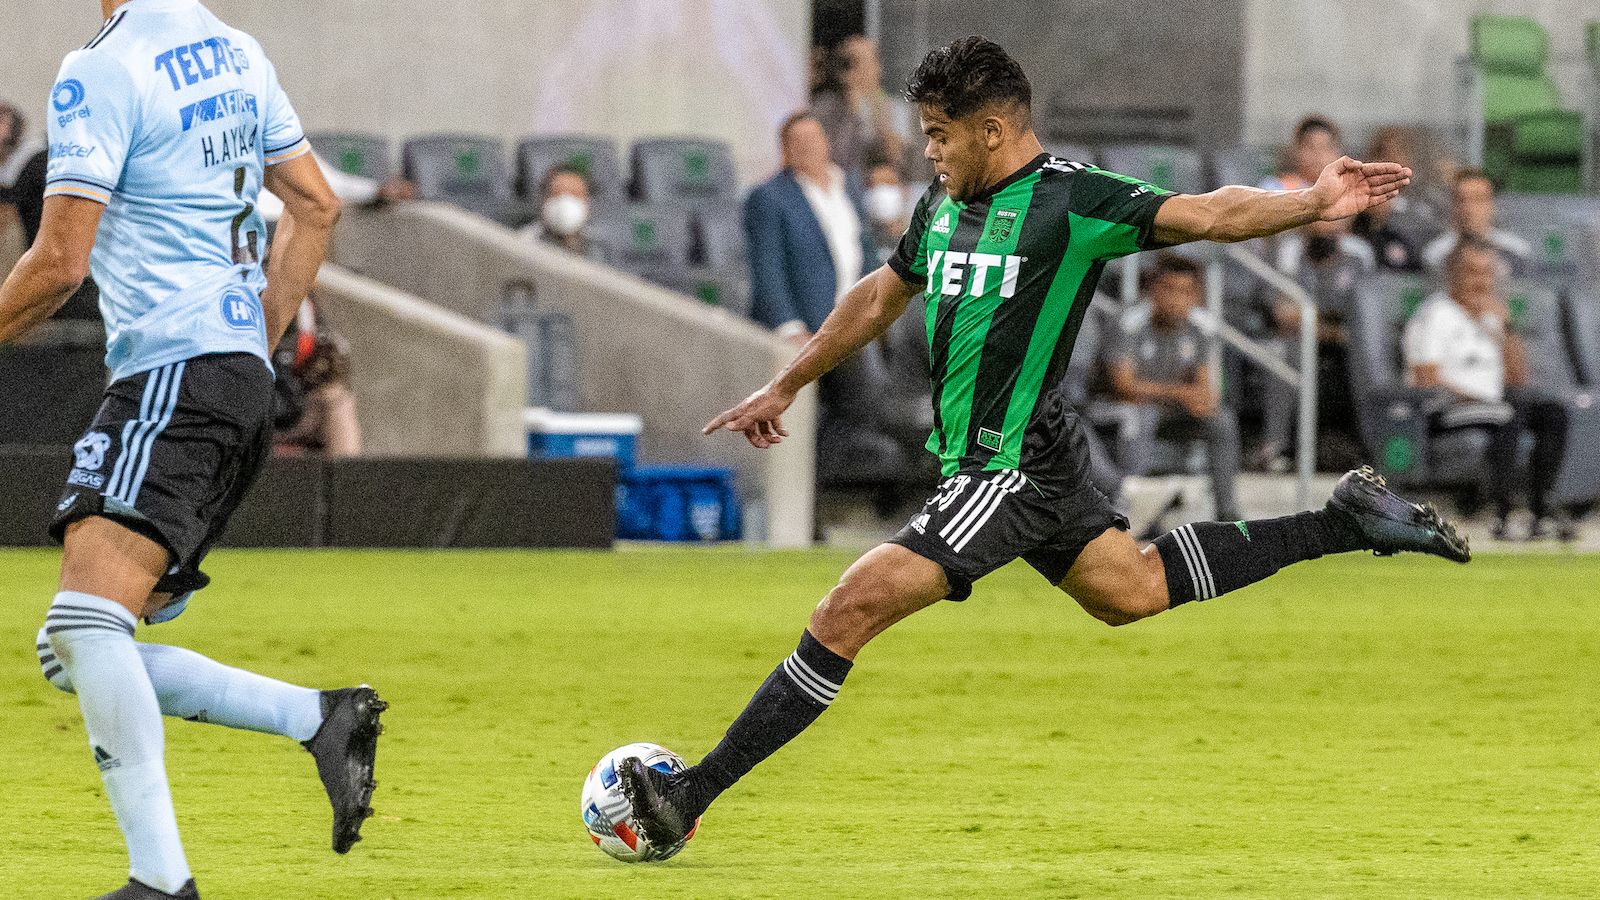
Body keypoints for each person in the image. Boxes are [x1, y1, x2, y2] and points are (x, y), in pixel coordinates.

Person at [617, 36, 1470, 847]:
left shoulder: (1075, 199)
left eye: (940, 136)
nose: (930, 154)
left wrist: (1313, 202)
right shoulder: (946, 202)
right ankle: (1345, 521)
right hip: (1030, 455)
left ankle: (688, 796)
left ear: (993, 129)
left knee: (849, 608)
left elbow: (1210, 213)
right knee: (1128, 591)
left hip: (1010, 463)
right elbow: (882, 293)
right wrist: (789, 381)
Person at [0, 2, 386, 897]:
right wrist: (253, 336)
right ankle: (316, 717)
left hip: (172, 373)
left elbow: (60, 261)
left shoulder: (102, 65)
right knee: (76, 649)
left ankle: (160, 882)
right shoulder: (237, 48)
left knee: (85, 627)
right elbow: (317, 207)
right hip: (231, 377)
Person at [1403, 238, 1571, 540]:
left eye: (1486, 274)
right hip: (1446, 408)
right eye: (1472, 273)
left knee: (1552, 412)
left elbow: (1518, 378)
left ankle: (1541, 508)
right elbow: (1425, 377)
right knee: (1508, 414)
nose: (1480, 282)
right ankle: (1502, 513)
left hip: (1495, 406)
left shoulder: (1492, 316)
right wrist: (1474, 395)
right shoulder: (1436, 314)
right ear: (1452, 276)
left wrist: (1506, 327)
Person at [1102, 254, 1241, 520]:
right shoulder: (1130, 321)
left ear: (1197, 296)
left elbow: (1205, 388)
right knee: (1140, 415)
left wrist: (1201, 399)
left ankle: (1228, 513)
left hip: (1171, 412)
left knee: (1221, 420)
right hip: (1116, 410)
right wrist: (1181, 393)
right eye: (1170, 289)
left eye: (1186, 291)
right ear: (1153, 290)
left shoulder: (1201, 326)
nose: (1177, 299)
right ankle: (1128, 508)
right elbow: (1123, 386)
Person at [1252, 215, 1373, 471]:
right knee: (1287, 349)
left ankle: (1372, 444)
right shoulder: (1288, 250)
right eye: (1321, 217)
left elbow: (1363, 317)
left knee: (1367, 350)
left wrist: (1310, 317)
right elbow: (1283, 314)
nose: (1326, 226)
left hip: (1346, 345)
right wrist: (1327, 321)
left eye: (1335, 218)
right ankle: (1274, 445)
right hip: (1291, 340)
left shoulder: (1358, 254)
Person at [810, 34, 908, 180]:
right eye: (872, 62)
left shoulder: (886, 106)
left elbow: (898, 162)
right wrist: (853, 111)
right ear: (849, 71)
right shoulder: (826, 107)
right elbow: (836, 160)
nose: (878, 70)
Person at [1421, 169, 1532, 276]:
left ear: (1492, 205)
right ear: (1452, 205)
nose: (1469, 208)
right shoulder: (1435, 255)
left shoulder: (1517, 250)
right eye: (1461, 200)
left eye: (1478, 199)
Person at [518, 162, 606, 261]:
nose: (565, 202)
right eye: (556, 194)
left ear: (588, 205)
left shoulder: (601, 250)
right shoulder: (521, 245)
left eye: (575, 195)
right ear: (543, 200)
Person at [862, 158, 910, 262]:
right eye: (877, 185)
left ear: (904, 191)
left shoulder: (917, 238)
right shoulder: (863, 239)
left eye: (888, 184)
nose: (883, 191)